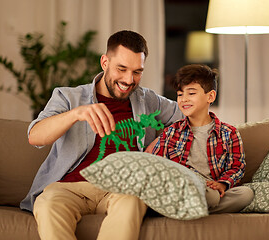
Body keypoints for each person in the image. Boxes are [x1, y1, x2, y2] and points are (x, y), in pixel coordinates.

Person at [20, 30, 183, 240]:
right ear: (105, 62)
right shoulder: (68, 96)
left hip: (122, 189)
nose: (128, 80)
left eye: (137, 71)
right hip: (69, 188)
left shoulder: (148, 100)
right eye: (121, 69)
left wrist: (160, 144)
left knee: (134, 200)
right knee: (48, 203)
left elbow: (191, 118)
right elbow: (35, 136)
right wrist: (76, 114)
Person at [148, 64, 254, 214]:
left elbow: (236, 167)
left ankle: (184, 209)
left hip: (211, 190)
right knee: (209, 198)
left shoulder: (229, 133)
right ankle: (196, 206)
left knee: (245, 194)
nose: (184, 99)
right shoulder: (171, 132)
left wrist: (222, 185)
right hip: (182, 187)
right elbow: (157, 165)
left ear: (210, 96)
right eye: (179, 94)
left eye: (191, 93)